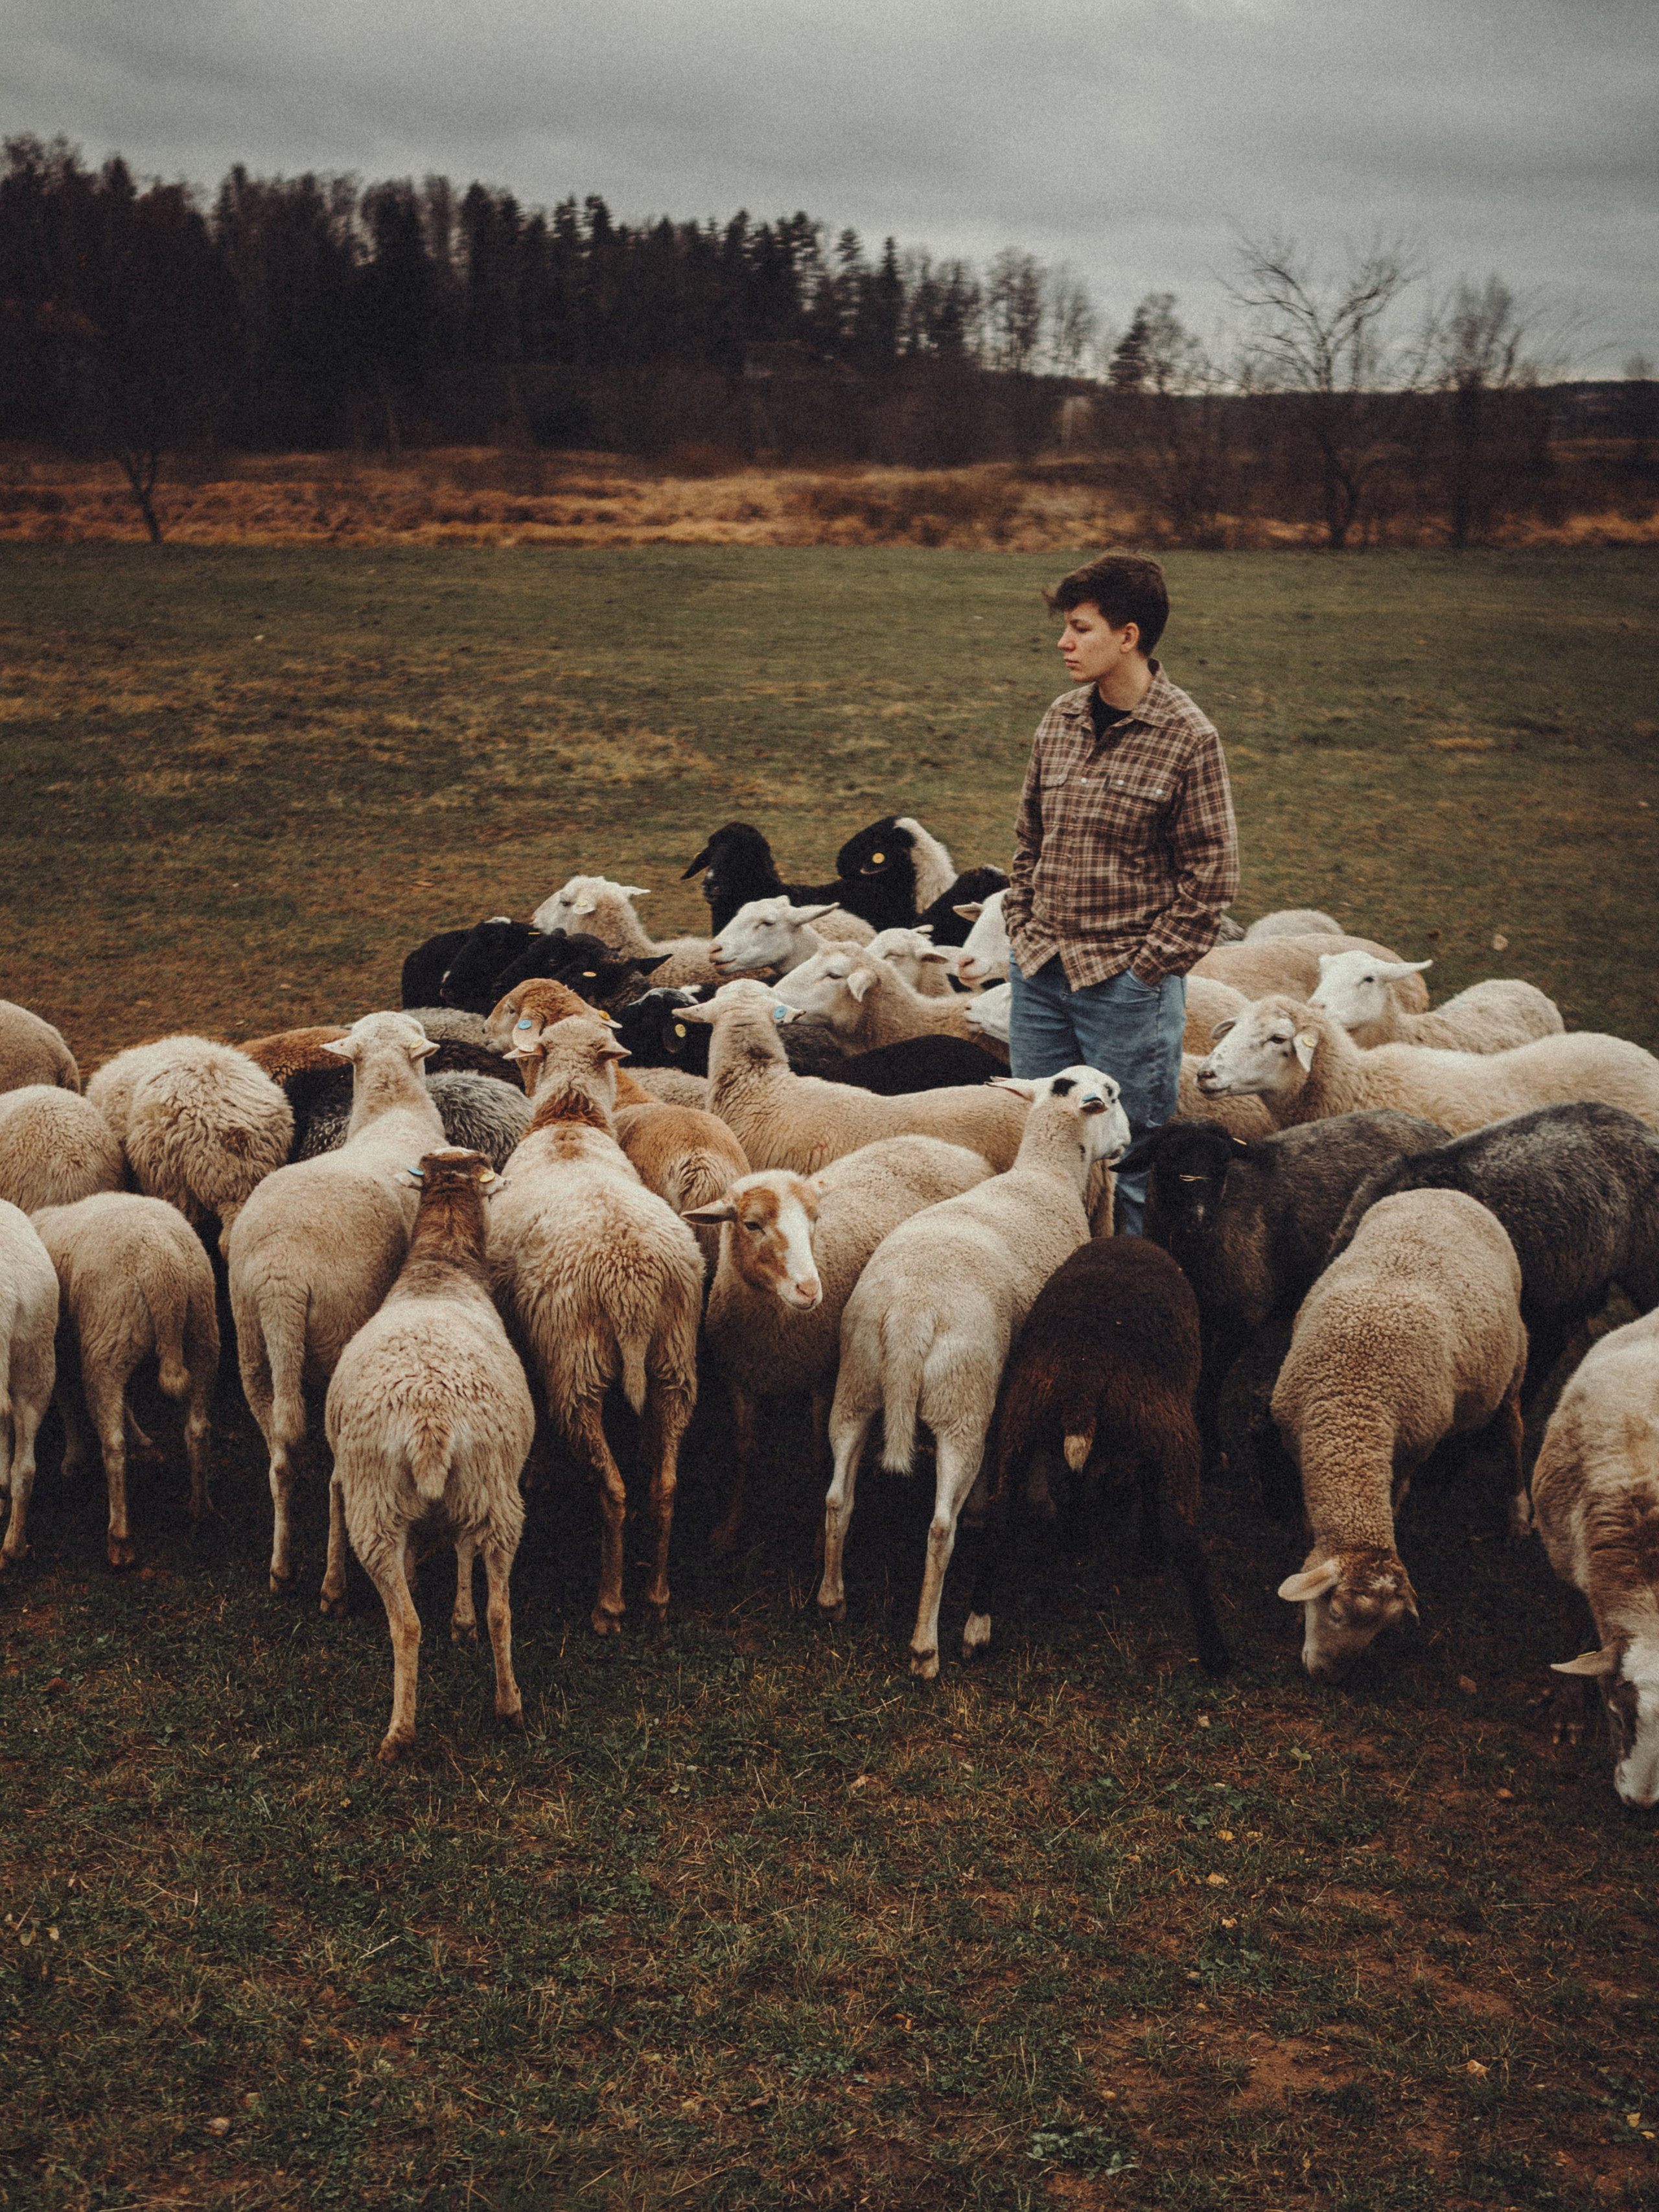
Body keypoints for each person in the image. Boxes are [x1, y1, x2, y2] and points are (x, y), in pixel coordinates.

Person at [1001, 553, 1238, 1235]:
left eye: (1080, 628)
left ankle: (1125, 1294)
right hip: (1040, 971)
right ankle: (1045, 1275)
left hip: (1124, 990)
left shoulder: (1188, 738)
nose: (1063, 642)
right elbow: (1028, 836)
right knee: (1042, 1145)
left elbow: (1212, 875)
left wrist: (1146, 971)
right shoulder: (1059, 720)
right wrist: (1020, 923)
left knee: (1128, 1161)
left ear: (1127, 636)